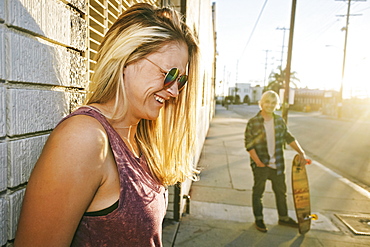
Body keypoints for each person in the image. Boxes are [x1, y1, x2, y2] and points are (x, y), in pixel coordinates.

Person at [15, 3, 199, 246]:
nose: (175, 91)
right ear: (126, 59)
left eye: (181, 80)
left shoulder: (140, 137)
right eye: (169, 74)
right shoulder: (84, 139)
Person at [244, 90, 306, 233]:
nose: (270, 105)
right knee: (258, 192)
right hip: (261, 165)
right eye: (267, 102)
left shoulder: (279, 121)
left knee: (281, 192)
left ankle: (283, 217)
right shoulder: (253, 122)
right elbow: (249, 145)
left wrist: (301, 152)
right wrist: (258, 163)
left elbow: (288, 137)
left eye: (273, 103)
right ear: (262, 103)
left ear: (276, 105)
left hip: (277, 165)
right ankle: (259, 219)